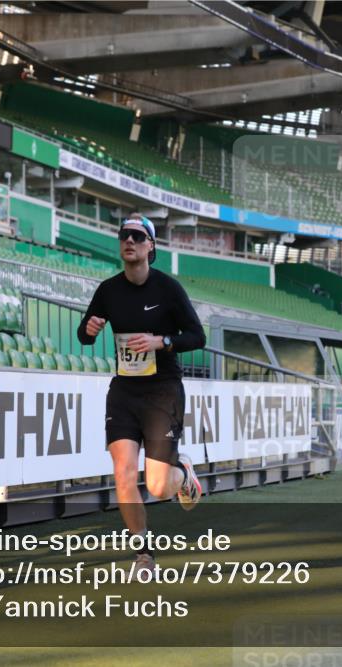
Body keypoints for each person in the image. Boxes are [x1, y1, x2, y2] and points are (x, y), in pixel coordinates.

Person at [77, 213, 206, 573]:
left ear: (151, 246)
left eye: (137, 236)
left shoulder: (168, 289)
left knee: (159, 485)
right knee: (123, 474)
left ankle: (183, 473)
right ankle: (143, 554)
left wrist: (162, 341)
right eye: (124, 236)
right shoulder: (108, 290)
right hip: (123, 392)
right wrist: (89, 328)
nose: (129, 241)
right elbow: (83, 336)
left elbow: (197, 337)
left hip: (162, 392)